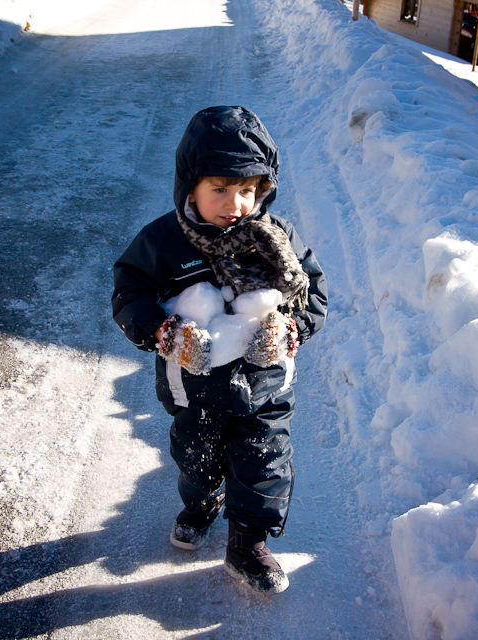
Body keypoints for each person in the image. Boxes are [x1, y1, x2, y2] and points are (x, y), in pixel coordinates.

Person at [112, 106, 327, 596]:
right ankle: (204, 498)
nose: (236, 203)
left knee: (264, 456)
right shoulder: (163, 241)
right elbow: (129, 292)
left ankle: (248, 543)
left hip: (263, 380)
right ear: (190, 185)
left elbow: (313, 290)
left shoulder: (279, 239)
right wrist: (165, 333)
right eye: (221, 189)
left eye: (249, 190)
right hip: (193, 382)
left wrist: (291, 329)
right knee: (197, 455)